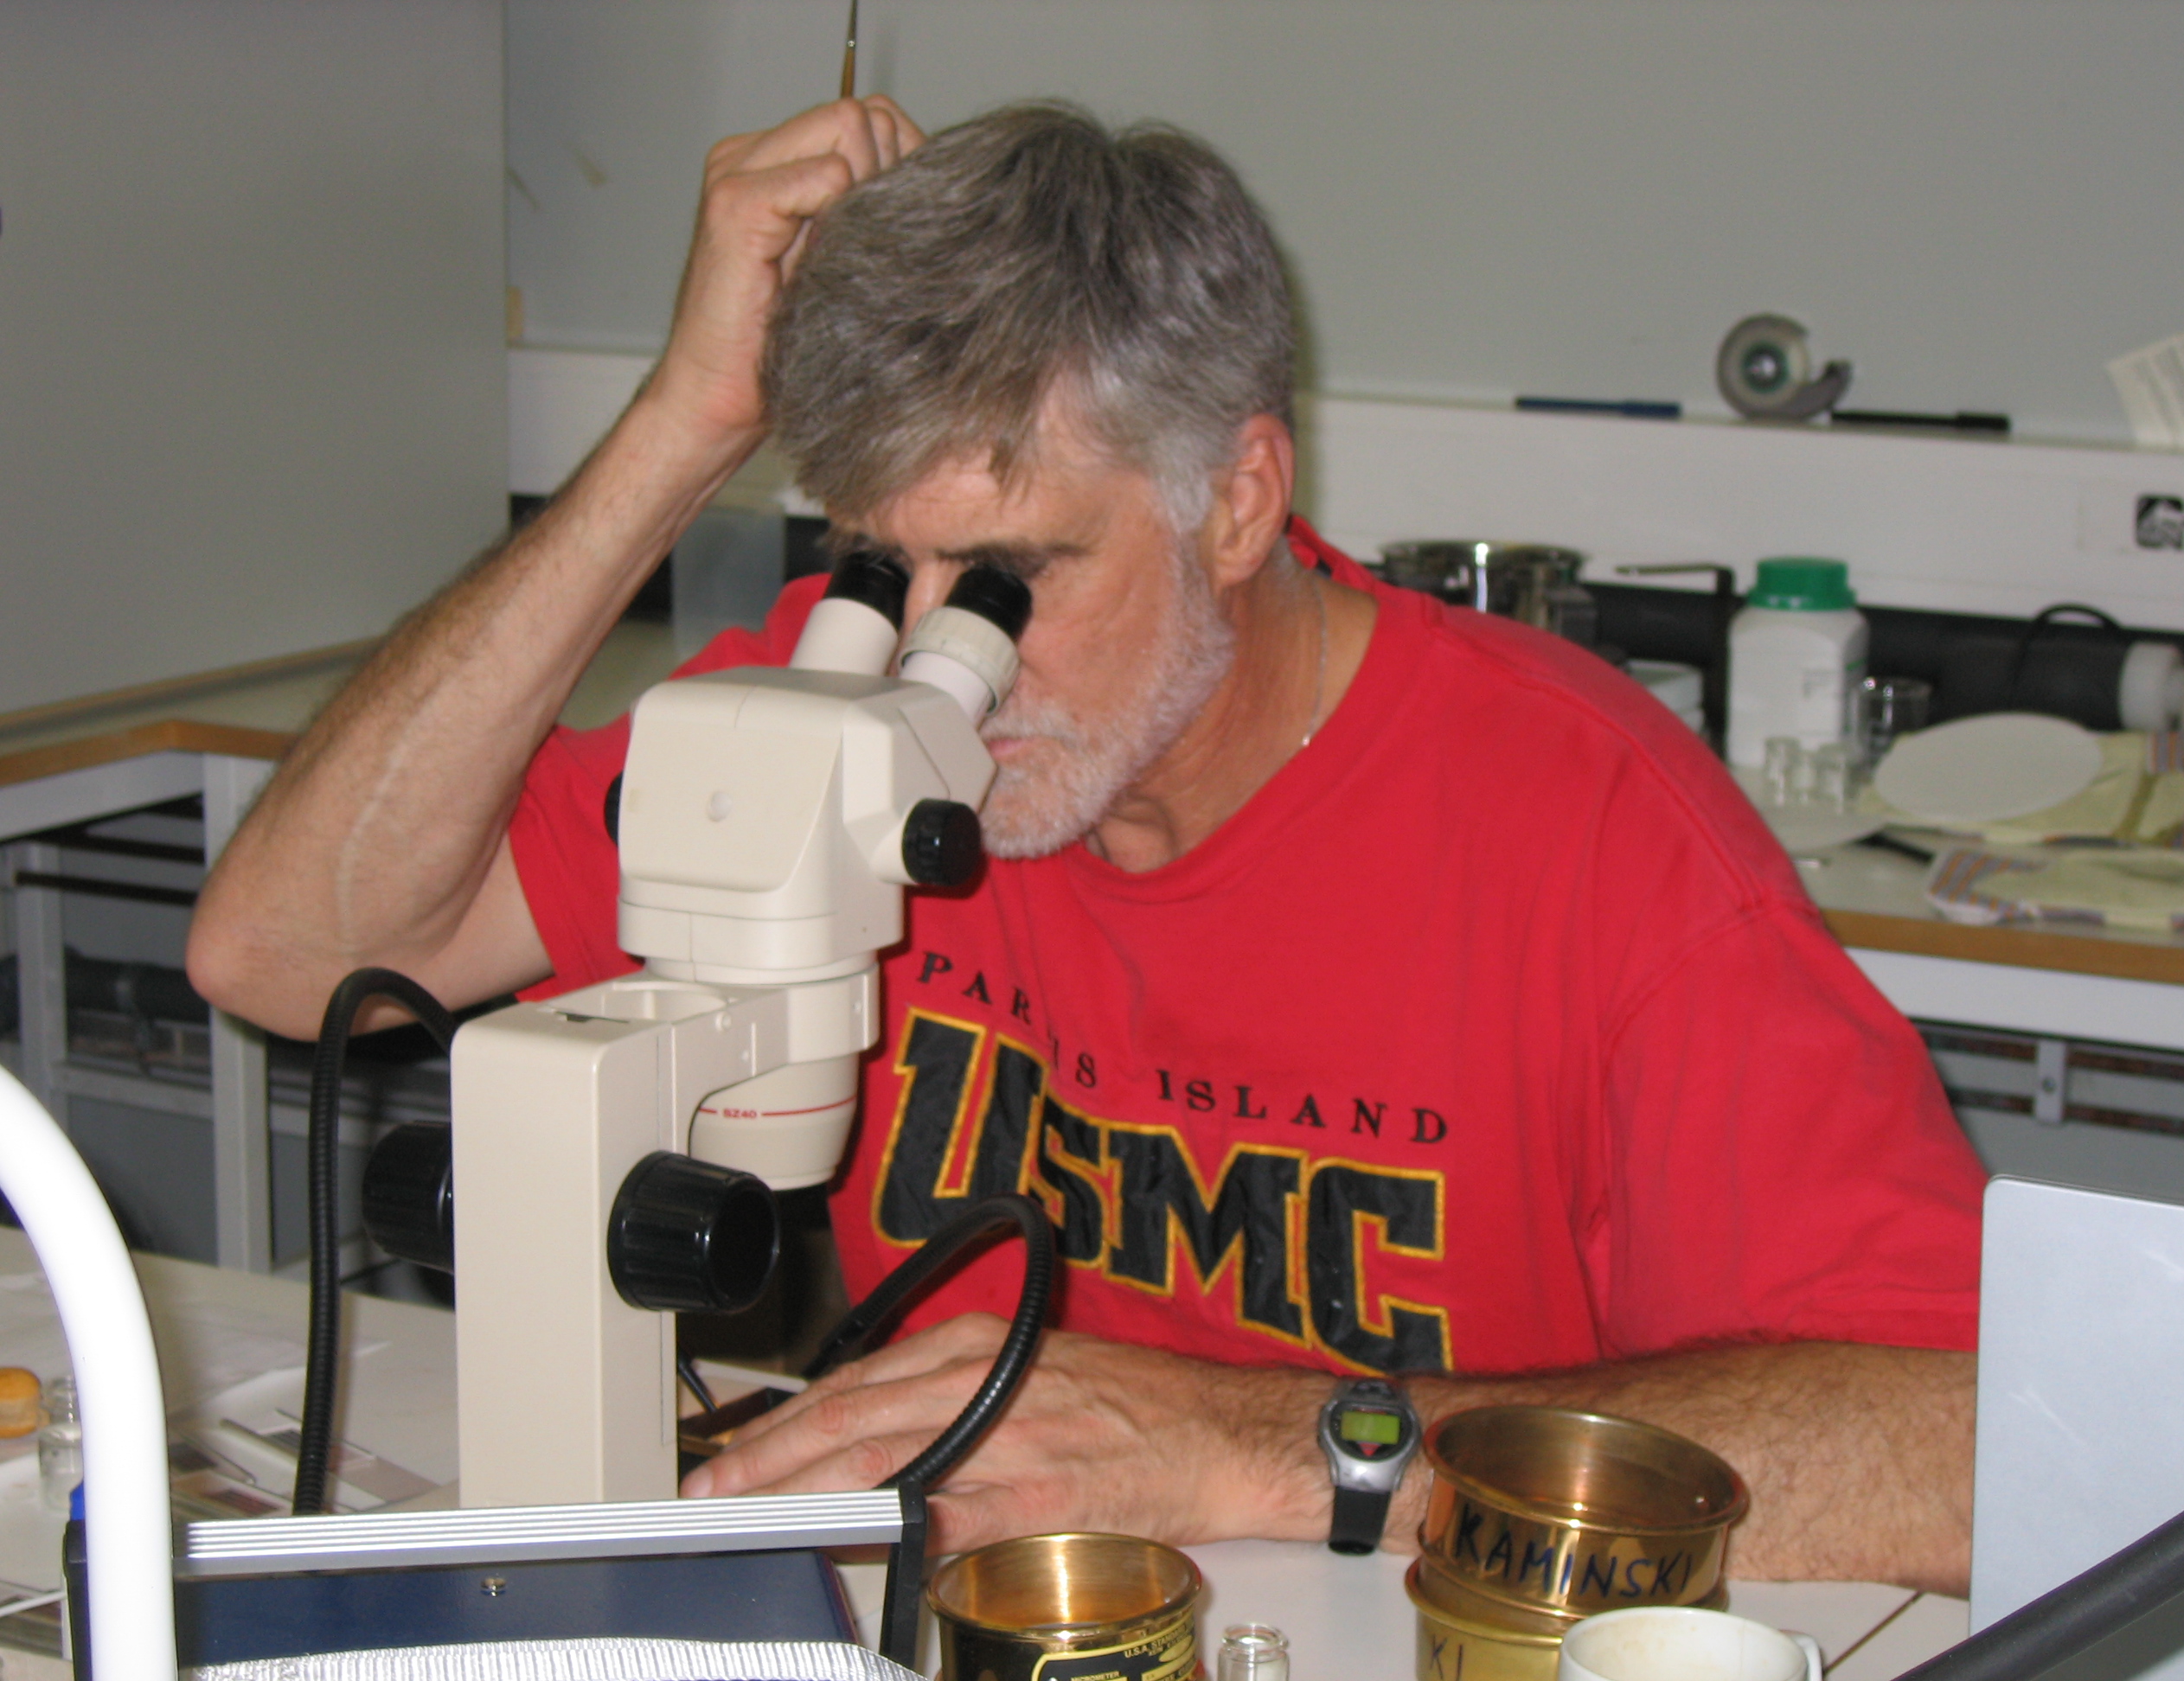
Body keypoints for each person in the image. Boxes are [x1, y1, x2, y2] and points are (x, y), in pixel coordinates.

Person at [189, 96, 1987, 1592]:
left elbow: (1965, 1451)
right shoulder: (841, 715)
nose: (935, 656)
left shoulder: (1587, 826)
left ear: (1239, 501)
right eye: (882, 563)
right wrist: (683, 423)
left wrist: (1265, 1447)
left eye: (1013, 579)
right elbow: (284, 953)